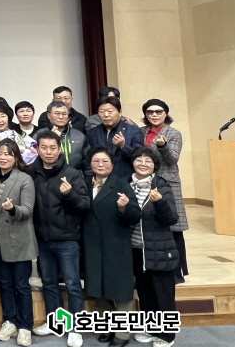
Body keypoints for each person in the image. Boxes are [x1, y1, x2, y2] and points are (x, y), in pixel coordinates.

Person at [27, 131, 89, 347]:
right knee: (49, 283)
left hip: (67, 239)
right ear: (38, 149)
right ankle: (56, 322)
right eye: (44, 148)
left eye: (53, 148)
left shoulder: (71, 173)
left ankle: (75, 327)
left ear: (59, 149)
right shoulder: (31, 172)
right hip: (42, 239)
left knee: (72, 284)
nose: (49, 152)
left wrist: (70, 194)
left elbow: (84, 204)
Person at [82, 147, 141, 347]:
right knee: (98, 288)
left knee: (121, 290)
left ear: (113, 164)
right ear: (90, 163)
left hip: (116, 244)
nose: (100, 164)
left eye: (105, 161)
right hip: (92, 244)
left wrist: (124, 207)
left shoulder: (121, 184)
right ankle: (107, 327)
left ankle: (122, 334)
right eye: (96, 161)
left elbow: (135, 214)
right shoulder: (84, 182)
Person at [0, 139, 37, 347]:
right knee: (4, 284)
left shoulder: (24, 179)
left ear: (16, 157)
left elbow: (28, 210)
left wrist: (13, 209)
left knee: (21, 285)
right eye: (0, 153)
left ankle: (25, 326)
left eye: (8, 154)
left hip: (20, 241)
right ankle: (10, 321)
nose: (3, 157)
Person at [128, 148, 179, 347]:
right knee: (145, 292)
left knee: (163, 295)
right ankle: (151, 328)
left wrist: (160, 202)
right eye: (139, 160)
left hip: (159, 250)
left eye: (148, 161)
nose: (143, 164)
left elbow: (171, 218)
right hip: (136, 249)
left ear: (154, 165)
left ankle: (167, 335)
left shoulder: (161, 186)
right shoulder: (126, 184)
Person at [140, 99, 189, 283]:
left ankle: (177, 272)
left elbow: (172, 159)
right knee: (153, 224)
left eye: (158, 111)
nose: (154, 115)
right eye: (150, 112)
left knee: (174, 228)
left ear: (165, 113)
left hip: (168, 182)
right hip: (147, 182)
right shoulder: (141, 131)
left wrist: (162, 146)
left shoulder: (173, 133)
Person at [86, 97, 144, 180]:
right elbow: (88, 157)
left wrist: (123, 146)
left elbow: (140, 157)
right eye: (102, 112)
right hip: (100, 179)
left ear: (120, 112)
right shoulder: (92, 132)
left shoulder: (133, 130)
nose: (106, 115)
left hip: (126, 179)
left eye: (110, 111)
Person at [35, 101, 89, 171]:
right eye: (57, 113)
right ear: (48, 115)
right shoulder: (39, 135)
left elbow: (87, 162)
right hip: (49, 175)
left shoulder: (79, 135)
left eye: (64, 114)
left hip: (76, 175)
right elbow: (33, 159)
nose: (61, 117)